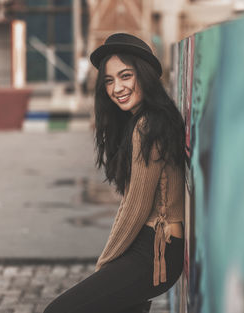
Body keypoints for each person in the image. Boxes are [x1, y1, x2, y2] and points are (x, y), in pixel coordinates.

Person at [43, 33, 185, 313]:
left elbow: (136, 207)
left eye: (125, 76)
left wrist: (106, 264)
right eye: (109, 80)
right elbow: (129, 201)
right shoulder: (147, 120)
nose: (117, 87)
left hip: (155, 253)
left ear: (144, 75)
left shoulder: (148, 127)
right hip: (152, 249)